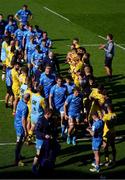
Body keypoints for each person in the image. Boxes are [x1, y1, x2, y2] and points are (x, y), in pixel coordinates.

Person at [32, 108, 53, 173]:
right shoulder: (41, 121)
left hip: (46, 140)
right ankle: (34, 167)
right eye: (50, 115)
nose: (51, 116)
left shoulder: (48, 119)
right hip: (40, 140)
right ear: (47, 114)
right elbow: (36, 131)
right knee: (38, 154)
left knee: (45, 154)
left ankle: (42, 166)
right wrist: (44, 135)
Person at [14, 93, 30, 166]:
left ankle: (18, 155)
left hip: (16, 123)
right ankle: (17, 160)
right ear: (28, 99)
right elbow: (23, 119)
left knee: (20, 141)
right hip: (20, 126)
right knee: (19, 142)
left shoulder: (20, 101)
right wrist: (26, 130)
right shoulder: (25, 107)